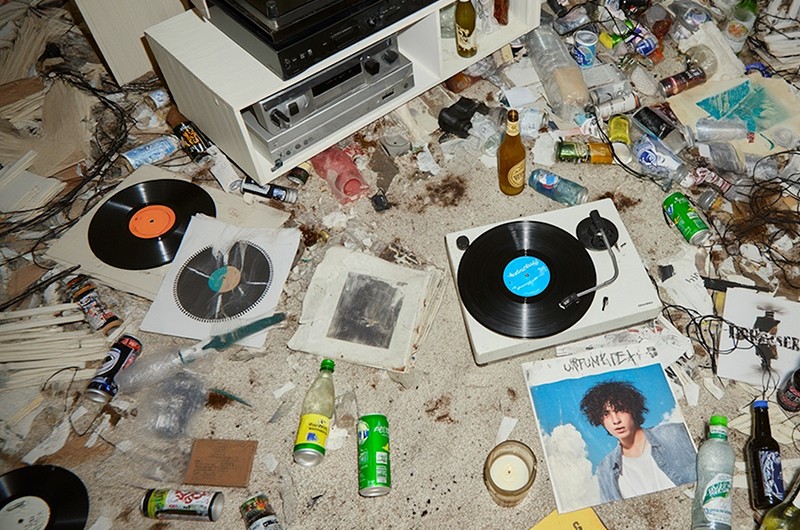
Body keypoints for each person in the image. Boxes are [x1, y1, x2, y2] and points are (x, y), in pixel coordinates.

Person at [579, 380, 696, 503]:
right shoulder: (605, 469)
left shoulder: (674, 434)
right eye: (606, 414)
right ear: (600, 419)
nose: (616, 420)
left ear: (633, 410)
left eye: (620, 410)